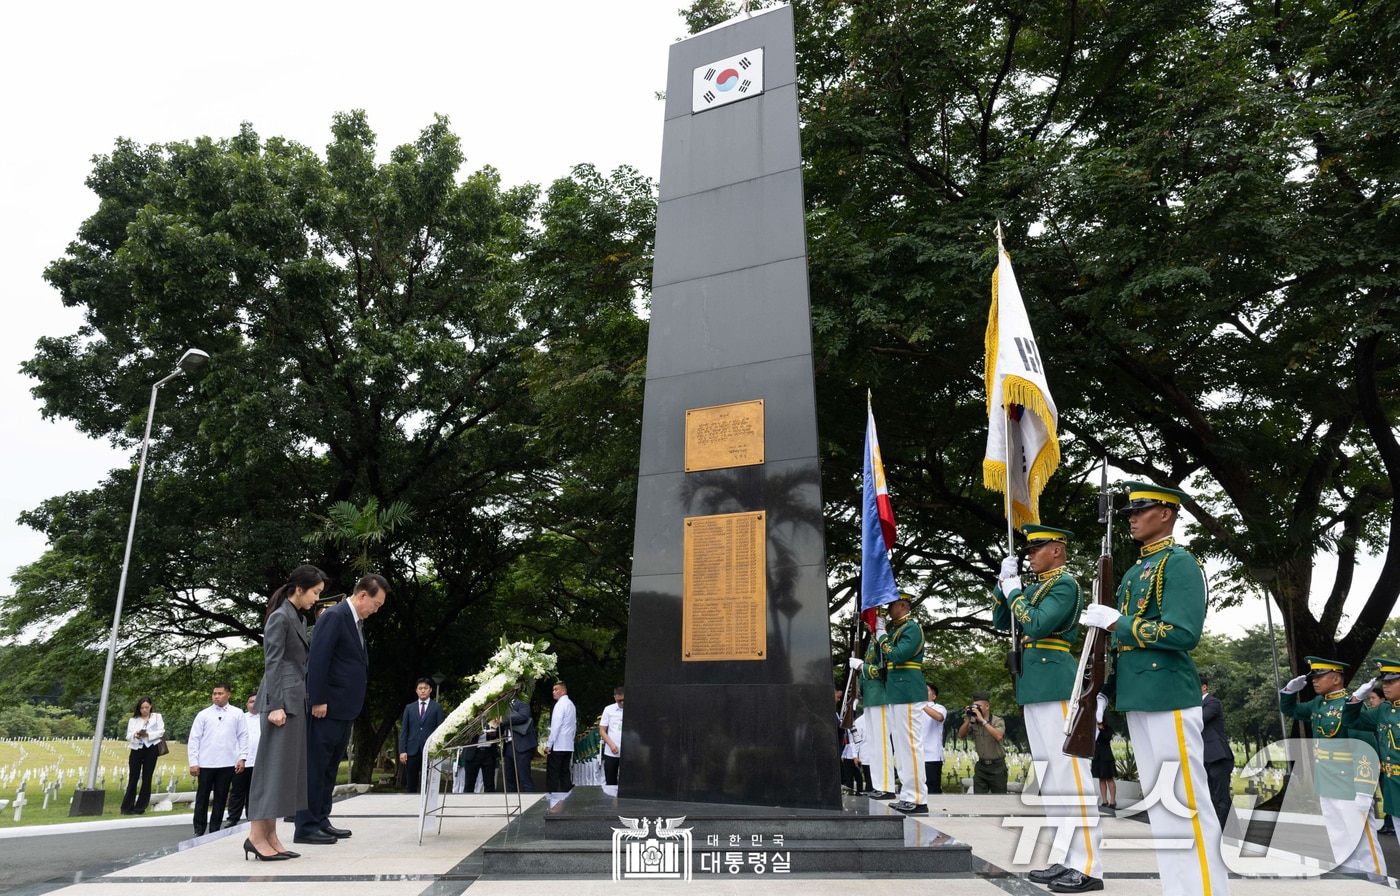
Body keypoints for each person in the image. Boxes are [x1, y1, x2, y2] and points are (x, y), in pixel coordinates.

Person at [1082, 481, 1230, 896]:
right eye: (1129, 511)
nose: (1131, 517)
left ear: (1165, 514)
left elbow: (1183, 633)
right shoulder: (1133, 571)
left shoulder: (1179, 563)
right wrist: (1106, 692)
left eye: (1139, 510)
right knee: (1163, 806)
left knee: (1186, 803)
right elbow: (1126, 649)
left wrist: (1118, 622)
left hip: (1167, 695)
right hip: (1139, 698)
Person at [993, 524, 1102, 892]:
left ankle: (1088, 865)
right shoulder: (1036, 587)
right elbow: (1001, 621)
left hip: (1056, 683)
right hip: (1033, 686)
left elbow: (1037, 625)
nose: (1030, 554)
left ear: (1057, 550)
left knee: (1071, 777)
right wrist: (1002, 585)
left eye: (1037, 548)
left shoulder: (1064, 584)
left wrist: (1015, 595)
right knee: (1052, 781)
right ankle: (1065, 858)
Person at [294, 573, 388, 845]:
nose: (376, 610)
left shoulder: (356, 622)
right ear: (362, 596)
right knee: (316, 766)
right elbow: (319, 659)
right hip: (327, 707)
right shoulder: (335, 616)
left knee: (329, 768)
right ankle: (306, 826)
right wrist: (318, 699)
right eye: (376, 604)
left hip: (344, 708)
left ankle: (321, 819)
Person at [246, 564, 325, 860]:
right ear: (299, 589)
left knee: (283, 773)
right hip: (280, 702)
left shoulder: (297, 616)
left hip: (293, 700)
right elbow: (273, 662)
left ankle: (270, 834)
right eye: (315, 592)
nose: (316, 598)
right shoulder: (280, 617)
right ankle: (256, 836)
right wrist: (276, 705)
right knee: (270, 771)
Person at [1283, 657, 1385, 874]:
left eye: (1320, 676)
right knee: (1339, 837)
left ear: (1336, 679)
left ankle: (1378, 883)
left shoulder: (1350, 707)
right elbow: (1291, 711)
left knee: (1363, 842)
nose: (1315, 681)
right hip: (1327, 782)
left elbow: (1364, 751)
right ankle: (1349, 878)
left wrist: (1365, 790)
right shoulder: (1318, 704)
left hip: (1349, 785)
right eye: (1314, 677)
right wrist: (1289, 692)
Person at [1345, 659, 1400, 851]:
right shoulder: (1384, 710)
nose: (1385, 685)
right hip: (1393, 785)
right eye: (1384, 681)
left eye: (1392, 681)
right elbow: (1351, 721)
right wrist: (1355, 699)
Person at [187, 682, 248, 837]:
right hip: (206, 762)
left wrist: (242, 757)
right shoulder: (204, 714)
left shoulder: (237, 713)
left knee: (221, 797)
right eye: (214, 693)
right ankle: (199, 829)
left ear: (228, 694)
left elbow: (243, 736)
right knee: (202, 797)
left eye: (220, 693)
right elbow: (194, 739)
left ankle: (215, 829)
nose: (216, 696)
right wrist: (194, 762)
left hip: (227, 763)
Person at [850, 616, 894, 800]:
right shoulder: (872, 642)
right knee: (874, 745)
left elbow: (884, 669)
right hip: (870, 696)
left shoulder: (884, 641)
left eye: (872, 619)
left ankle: (886, 786)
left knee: (882, 743)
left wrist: (861, 666)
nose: (868, 622)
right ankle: (879, 785)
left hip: (881, 696)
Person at [1200, 674, 1233, 832]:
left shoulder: (1212, 702)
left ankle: (1221, 830)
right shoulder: (1196, 706)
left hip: (1218, 756)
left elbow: (1198, 720)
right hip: (1204, 757)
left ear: (1204, 687)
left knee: (1221, 795)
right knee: (1208, 796)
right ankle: (1216, 828)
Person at [399, 678, 445, 793]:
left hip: (429, 750)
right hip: (412, 750)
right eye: (420, 688)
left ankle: (426, 808)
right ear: (416, 691)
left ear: (430, 690)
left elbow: (441, 730)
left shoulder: (437, 707)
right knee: (411, 784)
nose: (423, 691)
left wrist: (439, 748)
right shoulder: (409, 708)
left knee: (428, 783)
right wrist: (402, 750)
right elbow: (404, 730)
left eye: (425, 688)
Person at [956, 691, 1007, 794]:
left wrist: (983, 721)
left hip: (997, 766)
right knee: (979, 798)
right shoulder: (974, 722)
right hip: (981, 767)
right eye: (974, 706)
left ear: (987, 706)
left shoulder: (997, 721)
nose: (976, 709)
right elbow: (961, 735)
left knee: (1000, 798)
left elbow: (999, 736)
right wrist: (968, 718)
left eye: (978, 706)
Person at [120, 696, 164, 815]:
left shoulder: (156, 717)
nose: (144, 710)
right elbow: (127, 735)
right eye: (142, 708)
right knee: (133, 777)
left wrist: (148, 735)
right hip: (137, 748)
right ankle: (127, 807)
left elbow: (161, 731)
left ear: (150, 706)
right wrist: (135, 735)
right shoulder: (133, 720)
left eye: (147, 707)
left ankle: (140, 807)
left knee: (147, 777)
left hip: (151, 748)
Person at [1363, 689, 1395, 834]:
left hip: (1390, 767)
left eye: (1373, 698)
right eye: (1369, 698)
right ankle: (1389, 823)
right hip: (1380, 766)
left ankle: (1390, 823)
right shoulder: (1374, 718)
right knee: (1386, 796)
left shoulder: (1387, 716)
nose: (1371, 701)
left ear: (1383, 700)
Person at [226, 693, 262, 825]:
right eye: (251, 701)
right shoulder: (240, 718)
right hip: (241, 761)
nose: (254, 704)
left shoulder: (266, 719)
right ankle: (232, 818)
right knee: (237, 791)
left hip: (259, 762)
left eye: (257, 701)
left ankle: (252, 817)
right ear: (247, 704)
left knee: (255, 792)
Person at [544, 680, 577, 793]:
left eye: (556, 689)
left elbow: (556, 726)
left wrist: (549, 744)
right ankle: (567, 795)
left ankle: (551, 796)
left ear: (563, 691)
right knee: (564, 772)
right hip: (568, 744)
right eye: (553, 690)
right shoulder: (571, 705)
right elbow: (574, 725)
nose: (553, 692)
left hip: (558, 744)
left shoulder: (560, 705)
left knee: (553, 773)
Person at [503, 697, 538, 792]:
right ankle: (512, 804)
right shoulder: (502, 705)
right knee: (510, 780)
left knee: (525, 779)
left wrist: (503, 719)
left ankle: (531, 804)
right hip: (508, 745)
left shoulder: (522, 701)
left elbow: (523, 717)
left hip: (522, 745)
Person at [456, 721, 500, 793]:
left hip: (489, 752)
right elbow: (463, 733)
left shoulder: (492, 715)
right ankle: (467, 802)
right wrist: (476, 733)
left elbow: (500, 731)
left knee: (490, 785)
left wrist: (495, 733)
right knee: (469, 784)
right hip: (473, 752)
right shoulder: (470, 716)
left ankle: (490, 802)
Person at [922, 684, 947, 795]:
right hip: (915, 756)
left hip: (931, 757)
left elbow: (939, 717)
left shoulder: (938, 708)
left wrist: (921, 704)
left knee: (932, 790)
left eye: (926, 690)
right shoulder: (913, 708)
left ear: (934, 696)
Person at [600, 687, 624, 787]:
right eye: (619, 701)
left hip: (629, 752)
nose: (622, 703)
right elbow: (602, 730)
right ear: (615, 698)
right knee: (610, 781)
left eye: (624, 700)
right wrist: (610, 744)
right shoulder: (609, 709)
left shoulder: (634, 708)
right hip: (611, 751)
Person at [1091, 719, 1117, 814]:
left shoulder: (1108, 729)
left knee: (1109, 778)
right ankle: (1104, 801)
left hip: (1106, 756)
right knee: (1101, 779)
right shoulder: (1093, 728)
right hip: (1096, 756)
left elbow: (1107, 738)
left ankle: (1113, 801)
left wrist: (1101, 729)